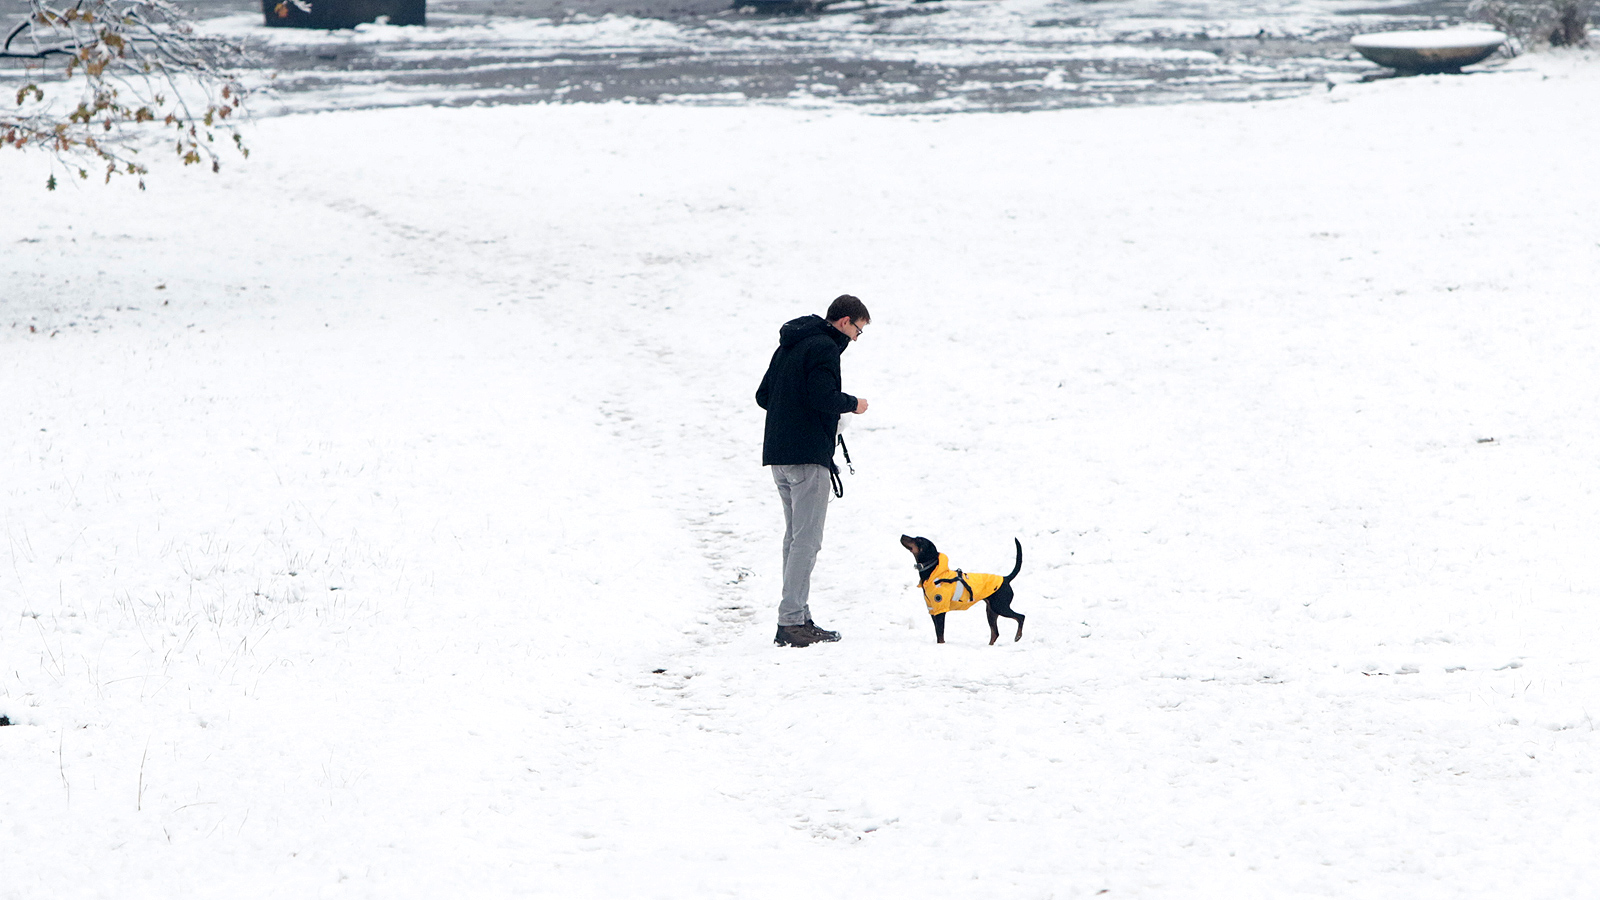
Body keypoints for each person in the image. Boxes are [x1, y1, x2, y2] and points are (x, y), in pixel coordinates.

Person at [755, 294, 871, 648]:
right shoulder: (823, 348)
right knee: (807, 540)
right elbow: (823, 397)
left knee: (794, 539)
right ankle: (791, 622)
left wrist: (791, 409)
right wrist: (853, 404)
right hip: (807, 457)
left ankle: (798, 615)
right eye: (858, 331)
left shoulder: (790, 345)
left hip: (779, 455)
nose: (855, 339)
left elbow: (763, 396)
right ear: (845, 320)